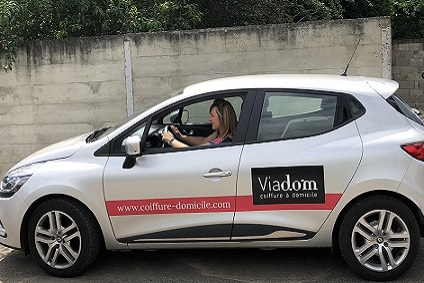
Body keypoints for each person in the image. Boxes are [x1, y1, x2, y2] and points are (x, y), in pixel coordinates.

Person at [162, 98, 237, 148]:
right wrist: (181, 137)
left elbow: (193, 153)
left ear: (222, 118)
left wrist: (170, 140)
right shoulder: (220, 133)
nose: (210, 119)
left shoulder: (224, 141)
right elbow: (203, 140)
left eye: (212, 116)